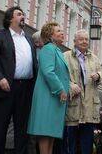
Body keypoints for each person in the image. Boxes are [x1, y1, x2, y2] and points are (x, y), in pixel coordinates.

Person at [0, 6, 38, 154]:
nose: (23, 16)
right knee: (0, 126)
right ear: (10, 18)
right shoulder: (0, 36)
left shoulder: (28, 39)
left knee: (22, 127)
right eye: (19, 14)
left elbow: (34, 64)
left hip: (26, 87)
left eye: (23, 14)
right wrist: (0, 78)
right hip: (6, 87)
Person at [26, 22, 69, 154]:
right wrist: (60, 89)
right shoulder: (48, 49)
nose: (62, 33)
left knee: (51, 133)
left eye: (62, 30)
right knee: (45, 132)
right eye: (58, 31)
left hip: (54, 97)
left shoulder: (57, 50)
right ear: (50, 35)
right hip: (48, 95)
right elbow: (48, 72)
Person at [62, 30, 102, 154]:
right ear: (74, 41)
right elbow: (61, 76)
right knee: (70, 143)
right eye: (81, 39)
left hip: (89, 108)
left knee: (87, 144)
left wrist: (98, 75)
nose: (84, 42)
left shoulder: (94, 58)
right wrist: (70, 86)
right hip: (73, 105)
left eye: (86, 39)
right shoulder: (66, 56)